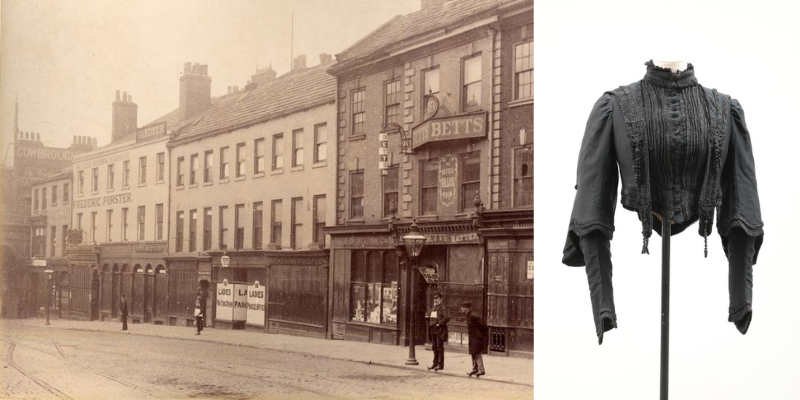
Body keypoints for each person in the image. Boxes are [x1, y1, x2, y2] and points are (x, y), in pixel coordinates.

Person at [461, 301, 486, 377]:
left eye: (462, 308)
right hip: (473, 336)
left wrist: (480, 333)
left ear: (466, 308)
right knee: (473, 352)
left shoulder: (473, 315)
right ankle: (475, 368)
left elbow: (481, 324)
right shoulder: (469, 314)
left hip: (477, 336)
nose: (461, 309)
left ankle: (481, 370)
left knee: (477, 352)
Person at [426, 292, 449, 371]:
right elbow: (428, 315)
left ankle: (440, 364)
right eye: (434, 299)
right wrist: (427, 316)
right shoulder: (433, 308)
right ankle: (434, 363)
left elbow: (447, 318)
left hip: (439, 330)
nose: (435, 300)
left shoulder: (443, 308)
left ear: (441, 299)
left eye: (437, 299)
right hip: (433, 329)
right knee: (434, 347)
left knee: (439, 347)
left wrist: (439, 323)